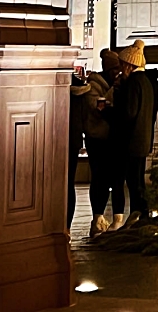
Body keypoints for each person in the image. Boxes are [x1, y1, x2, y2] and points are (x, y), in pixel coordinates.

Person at [80, 49, 126, 236]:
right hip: (97, 139)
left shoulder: (119, 84)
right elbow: (97, 107)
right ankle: (97, 217)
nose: (117, 72)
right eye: (114, 68)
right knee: (99, 179)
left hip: (114, 139)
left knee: (116, 180)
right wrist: (113, 91)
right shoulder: (94, 85)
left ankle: (116, 219)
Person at [112, 39, 155, 227]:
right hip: (143, 138)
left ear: (129, 64)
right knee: (138, 180)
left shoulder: (133, 83)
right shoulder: (146, 82)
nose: (121, 68)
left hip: (131, 140)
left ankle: (140, 213)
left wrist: (108, 111)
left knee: (133, 181)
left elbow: (128, 113)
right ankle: (142, 214)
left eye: (122, 64)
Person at [68, 68, 90, 234]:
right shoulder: (82, 91)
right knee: (69, 184)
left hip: (55, 139)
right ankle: (67, 226)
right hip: (73, 140)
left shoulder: (57, 87)